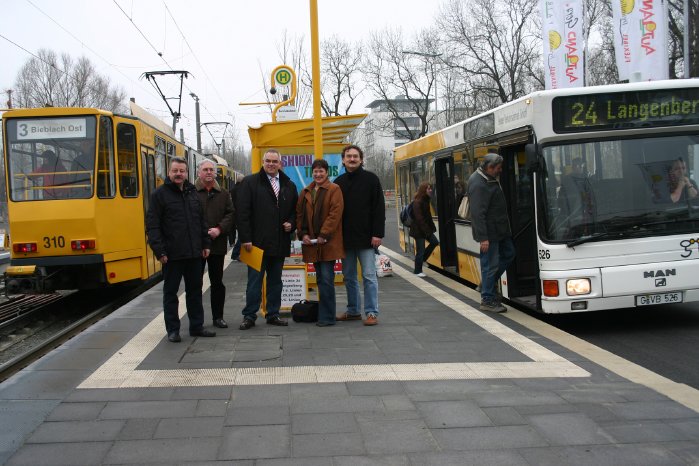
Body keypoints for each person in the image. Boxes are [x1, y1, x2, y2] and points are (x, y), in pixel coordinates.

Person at [146, 157, 216, 342]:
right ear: (169, 172)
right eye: (175, 171)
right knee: (171, 294)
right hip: (172, 255)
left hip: (194, 254)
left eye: (182, 171)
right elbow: (152, 226)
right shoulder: (159, 195)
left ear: (187, 173)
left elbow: (201, 222)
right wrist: (160, 251)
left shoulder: (192, 193)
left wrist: (206, 244)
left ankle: (196, 326)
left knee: (195, 291)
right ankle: (173, 330)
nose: (179, 174)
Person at [236, 149, 298, 330]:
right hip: (255, 244)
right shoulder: (250, 182)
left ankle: (273, 314)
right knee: (254, 282)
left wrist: (292, 224)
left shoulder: (289, 184)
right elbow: (243, 213)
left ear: (280, 164)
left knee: (276, 281)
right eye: (268, 161)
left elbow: (295, 211)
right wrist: (245, 238)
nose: (271, 164)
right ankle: (249, 316)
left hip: (279, 243)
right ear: (263, 162)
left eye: (274, 161)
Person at [334, 144, 385, 326]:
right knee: (349, 277)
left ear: (361, 159)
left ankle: (371, 313)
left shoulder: (371, 179)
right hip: (345, 240)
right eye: (349, 156)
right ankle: (353, 311)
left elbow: (379, 209)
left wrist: (377, 234)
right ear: (343, 160)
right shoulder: (338, 183)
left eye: (355, 156)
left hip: (367, 239)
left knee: (369, 276)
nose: (352, 159)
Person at [296, 159, 344, 327]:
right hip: (313, 244)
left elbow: (335, 214)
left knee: (326, 279)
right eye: (315, 171)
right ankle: (324, 314)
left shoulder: (334, 189)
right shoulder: (306, 191)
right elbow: (299, 215)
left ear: (327, 172)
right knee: (320, 280)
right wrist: (302, 234)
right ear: (312, 173)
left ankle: (328, 317)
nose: (318, 174)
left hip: (328, 243)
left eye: (321, 171)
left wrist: (324, 233)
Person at [467, 152, 515, 313]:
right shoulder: (478, 183)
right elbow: (477, 213)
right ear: (489, 167)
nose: (500, 171)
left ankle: (486, 284)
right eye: (498, 168)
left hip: (500, 230)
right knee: (490, 265)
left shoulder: (489, 178)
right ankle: (487, 299)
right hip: (490, 233)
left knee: (509, 253)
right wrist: (483, 238)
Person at [195, 159, 235, 329]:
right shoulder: (191, 193)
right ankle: (197, 320)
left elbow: (231, 214)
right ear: (199, 173)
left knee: (217, 282)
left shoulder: (224, 194)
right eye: (205, 170)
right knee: (195, 284)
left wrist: (219, 229)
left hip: (217, 245)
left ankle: (218, 317)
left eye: (212, 169)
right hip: (196, 246)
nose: (209, 172)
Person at [409, 182, 439, 278]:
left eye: (431, 188)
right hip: (418, 230)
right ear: (423, 190)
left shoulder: (426, 200)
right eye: (428, 189)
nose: (430, 190)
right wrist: (427, 230)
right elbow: (419, 218)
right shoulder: (418, 202)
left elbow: (428, 216)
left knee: (434, 242)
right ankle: (417, 271)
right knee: (420, 250)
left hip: (425, 229)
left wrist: (431, 227)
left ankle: (422, 260)